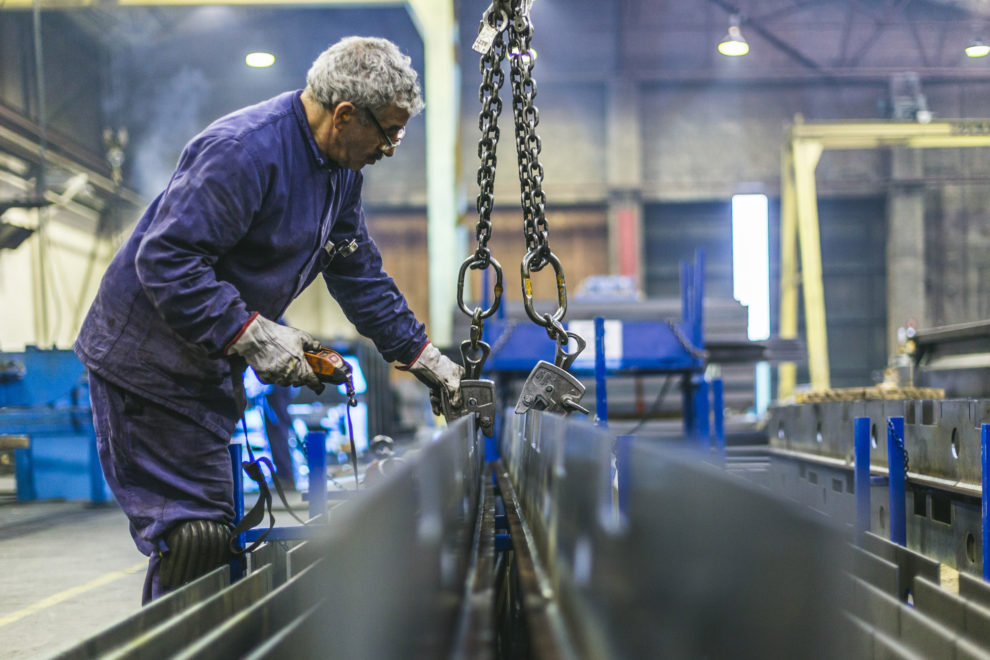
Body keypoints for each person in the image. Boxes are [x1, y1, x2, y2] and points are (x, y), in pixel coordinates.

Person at [74, 36, 463, 604]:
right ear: (345, 114)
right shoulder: (245, 151)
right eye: (389, 132)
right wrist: (250, 333)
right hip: (146, 364)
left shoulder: (339, 171)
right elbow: (164, 259)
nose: (392, 148)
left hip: (201, 365)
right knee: (195, 538)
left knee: (214, 535)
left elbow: (357, 273)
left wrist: (426, 359)